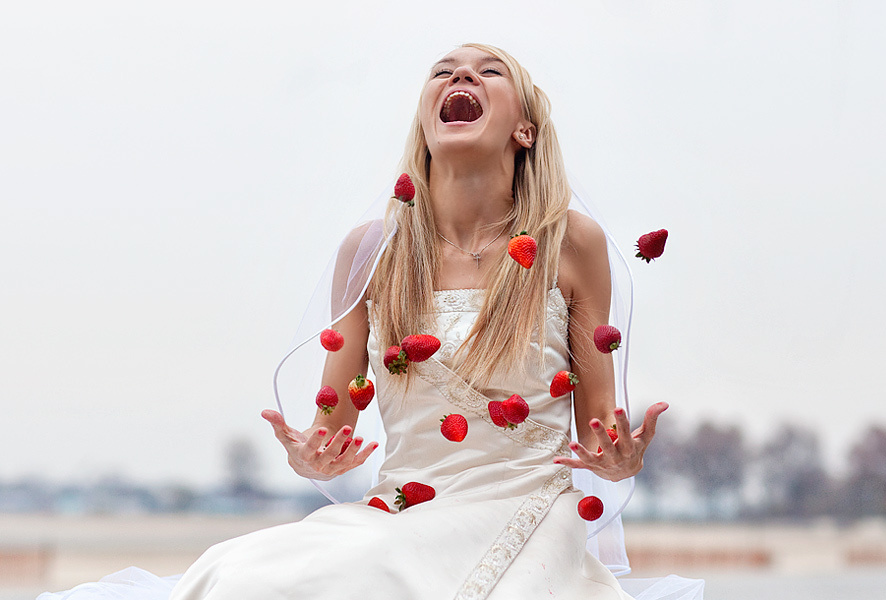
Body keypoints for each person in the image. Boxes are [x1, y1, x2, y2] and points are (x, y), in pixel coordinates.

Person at [38, 43, 704, 600]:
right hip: (402, 509)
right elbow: (331, 436)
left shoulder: (571, 243)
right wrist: (310, 456)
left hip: (525, 509)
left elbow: (600, 431)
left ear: (523, 130)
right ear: (426, 120)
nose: (460, 76)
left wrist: (619, 460)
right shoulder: (370, 250)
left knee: (376, 573)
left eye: (487, 70)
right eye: (443, 70)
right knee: (234, 573)